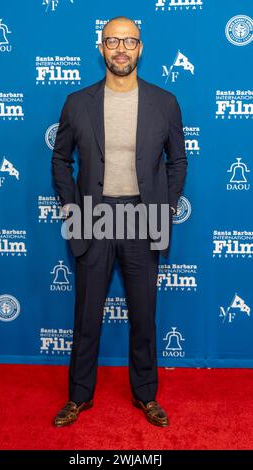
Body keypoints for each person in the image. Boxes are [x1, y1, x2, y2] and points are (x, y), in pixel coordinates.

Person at [51, 16, 187, 427]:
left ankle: (146, 396)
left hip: (144, 218)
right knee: (86, 314)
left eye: (129, 41)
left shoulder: (165, 102)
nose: (121, 49)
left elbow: (178, 160)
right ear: (102, 48)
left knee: (144, 315)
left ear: (140, 48)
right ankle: (79, 396)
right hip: (94, 218)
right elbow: (60, 159)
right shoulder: (78, 102)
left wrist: (164, 207)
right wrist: (72, 210)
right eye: (113, 41)